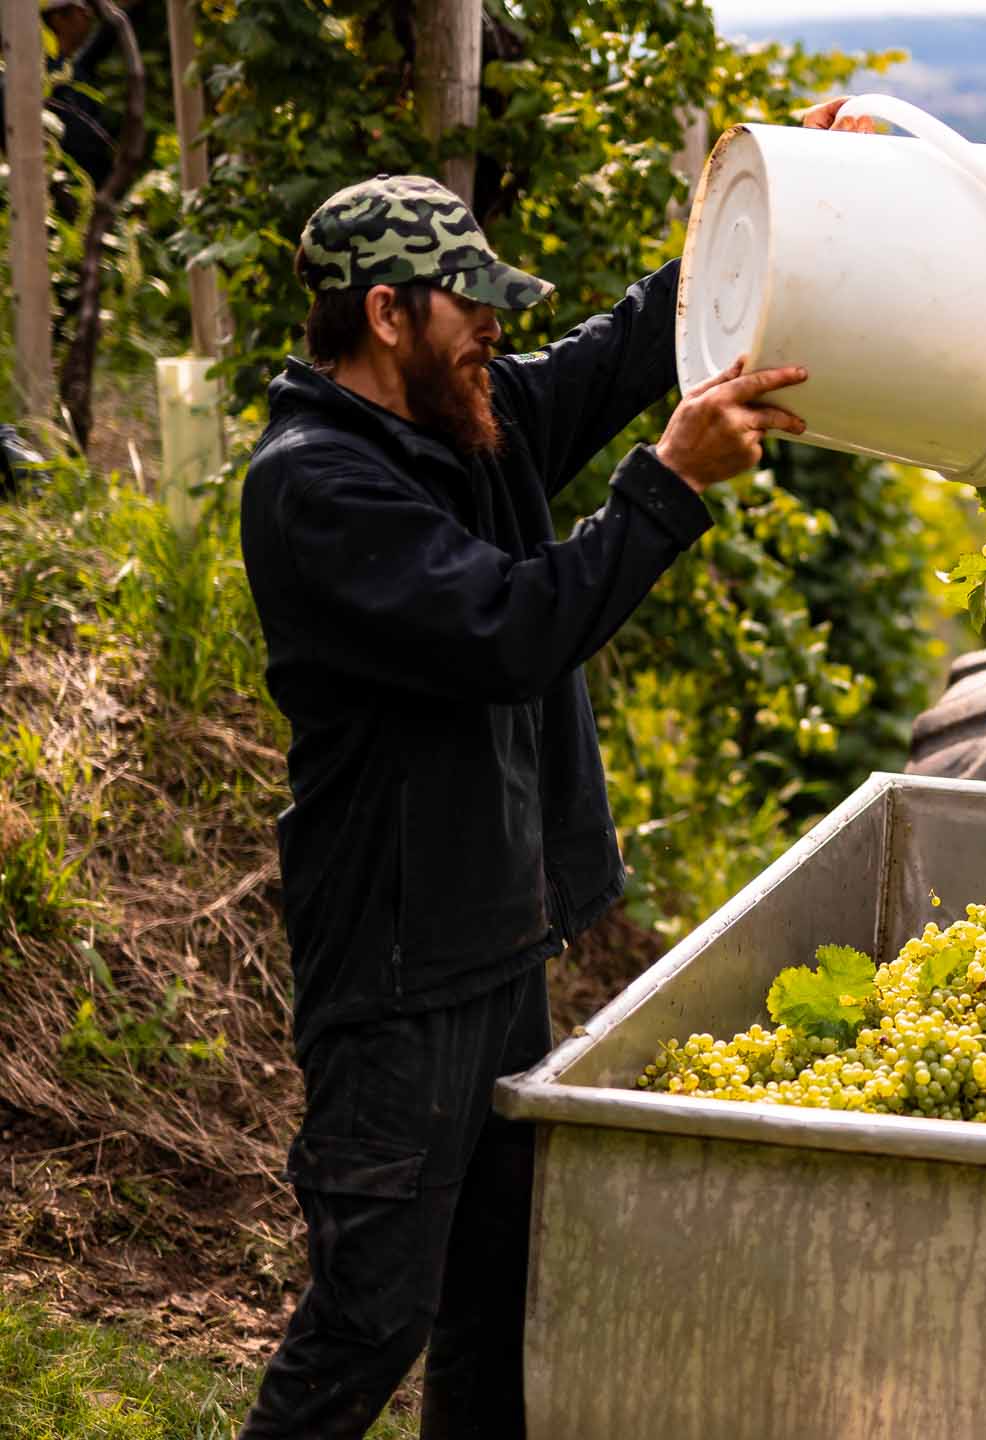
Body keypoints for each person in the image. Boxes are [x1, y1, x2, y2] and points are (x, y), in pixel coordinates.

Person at [236, 95, 863, 1439]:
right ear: (392, 314)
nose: (499, 338)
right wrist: (670, 485)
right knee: (372, 1314)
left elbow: (627, 349)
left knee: (499, 1296)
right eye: (474, 312)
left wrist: (766, 207)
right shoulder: (319, 488)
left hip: (491, 948)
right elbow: (510, 632)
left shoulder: (461, 421)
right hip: (397, 969)